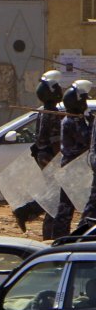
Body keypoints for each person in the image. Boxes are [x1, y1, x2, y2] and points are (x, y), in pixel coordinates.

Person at [14, 70, 64, 235]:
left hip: (43, 156)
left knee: (52, 194)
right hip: (50, 157)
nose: (61, 90)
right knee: (55, 197)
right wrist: (60, 162)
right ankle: (30, 216)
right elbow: (56, 142)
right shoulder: (53, 114)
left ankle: (27, 214)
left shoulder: (45, 111)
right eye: (57, 88)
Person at [55, 80, 92, 236]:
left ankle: (60, 235)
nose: (85, 103)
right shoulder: (73, 121)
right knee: (68, 208)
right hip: (73, 168)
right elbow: (86, 139)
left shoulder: (75, 119)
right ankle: (63, 236)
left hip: (74, 166)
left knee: (67, 206)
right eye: (83, 100)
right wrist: (92, 124)